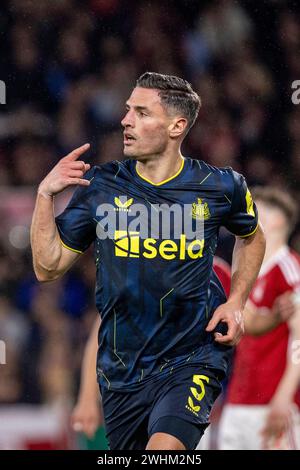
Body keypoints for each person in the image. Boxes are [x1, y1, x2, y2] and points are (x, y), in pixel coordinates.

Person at [31, 72, 265, 450]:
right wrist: (43, 195)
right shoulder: (102, 187)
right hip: (122, 370)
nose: (125, 120)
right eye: (127, 111)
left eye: (141, 112)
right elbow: (47, 266)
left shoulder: (222, 186)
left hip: (192, 357)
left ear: (177, 126)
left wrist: (236, 302)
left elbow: (251, 238)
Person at [70, 257, 232, 442]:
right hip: (135, 388)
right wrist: (87, 397)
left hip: (184, 382)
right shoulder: (132, 270)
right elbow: (102, 334)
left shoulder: (217, 272)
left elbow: (233, 332)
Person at [218, 186, 300, 450]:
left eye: (255, 209)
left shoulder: (289, 270)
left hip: (274, 403)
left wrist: (285, 395)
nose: (245, 214)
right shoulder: (245, 274)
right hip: (239, 400)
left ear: (276, 221)